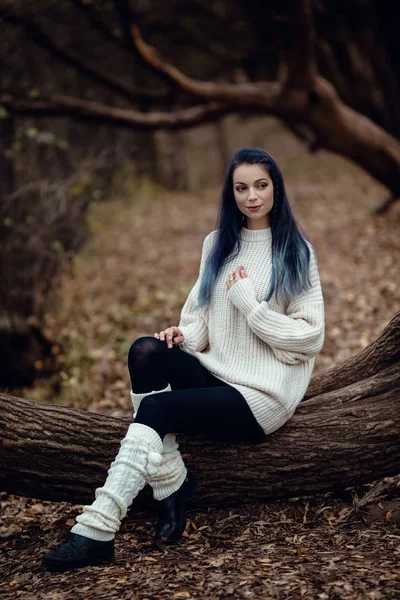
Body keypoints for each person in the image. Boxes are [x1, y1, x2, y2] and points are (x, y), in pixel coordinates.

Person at [43, 147, 325, 572]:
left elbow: (308, 338)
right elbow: (199, 318)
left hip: (263, 396)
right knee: (145, 349)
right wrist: (184, 335)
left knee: (157, 407)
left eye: (261, 186)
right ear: (231, 194)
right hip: (218, 373)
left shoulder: (296, 250)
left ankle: (97, 529)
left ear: (276, 189)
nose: (252, 196)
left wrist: (251, 307)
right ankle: (171, 481)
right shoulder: (217, 245)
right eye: (241, 187)